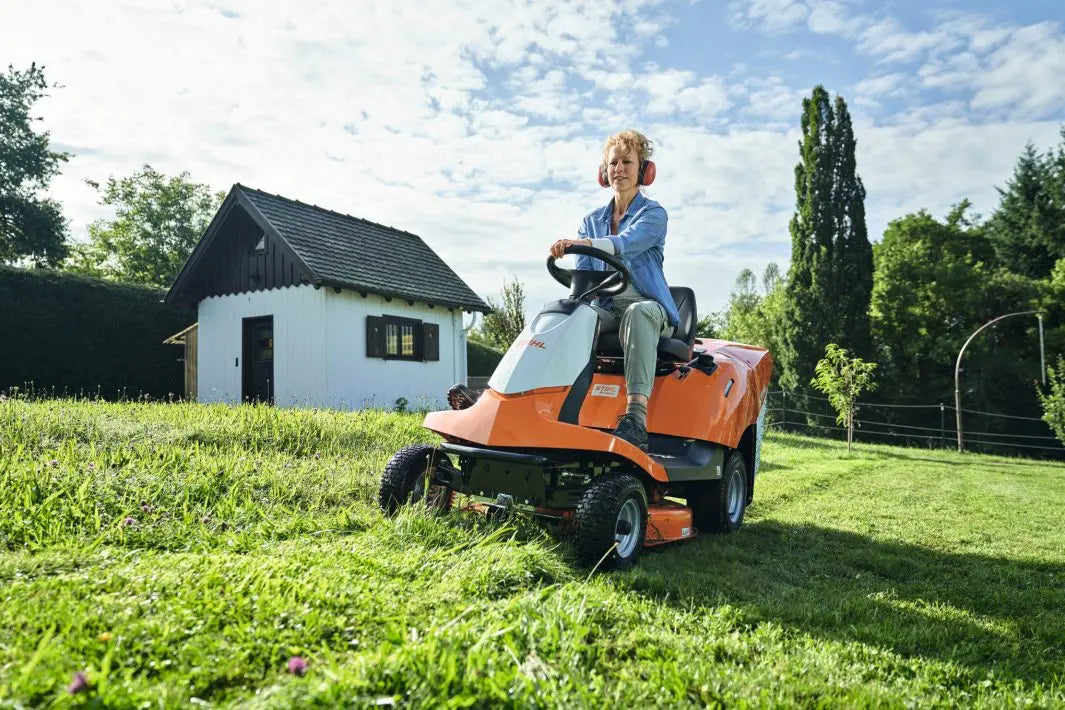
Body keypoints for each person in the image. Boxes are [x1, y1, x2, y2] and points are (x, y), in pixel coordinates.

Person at [549, 130, 680, 451]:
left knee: (637, 313)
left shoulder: (653, 214)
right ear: (603, 172)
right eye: (613, 163)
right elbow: (585, 273)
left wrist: (586, 244)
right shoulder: (591, 220)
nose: (619, 169)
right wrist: (572, 301)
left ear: (644, 170)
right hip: (608, 308)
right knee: (559, 313)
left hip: (648, 307)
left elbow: (625, 244)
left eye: (627, 162)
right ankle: (519, 397)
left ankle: (635, 418)